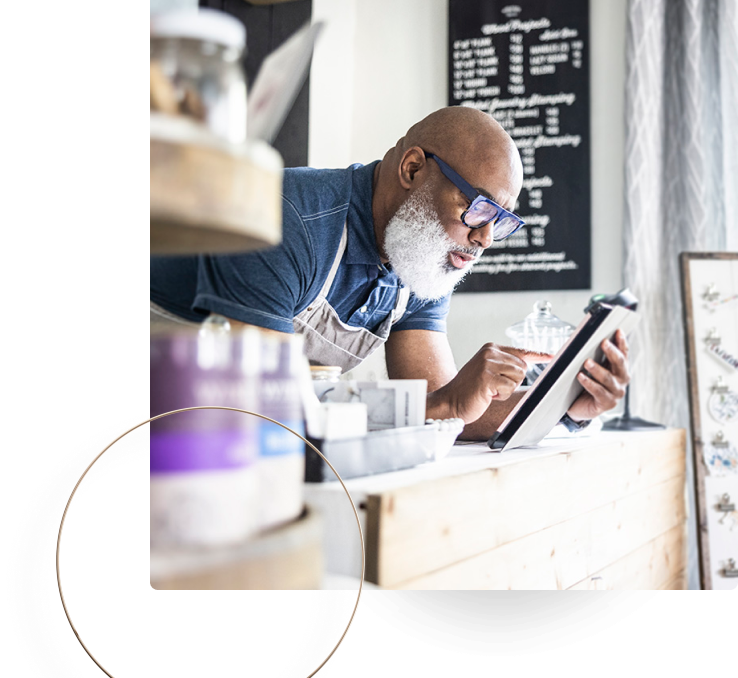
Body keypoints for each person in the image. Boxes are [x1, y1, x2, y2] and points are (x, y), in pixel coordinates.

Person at [150, 106, 630, 440]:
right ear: (414, 168)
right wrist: (440, 409)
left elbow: (449, 408)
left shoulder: (418, 260)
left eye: (500, 222)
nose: (484, 239)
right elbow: (259, 415)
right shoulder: (285, 220)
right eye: (478, 209)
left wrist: (565, 402)